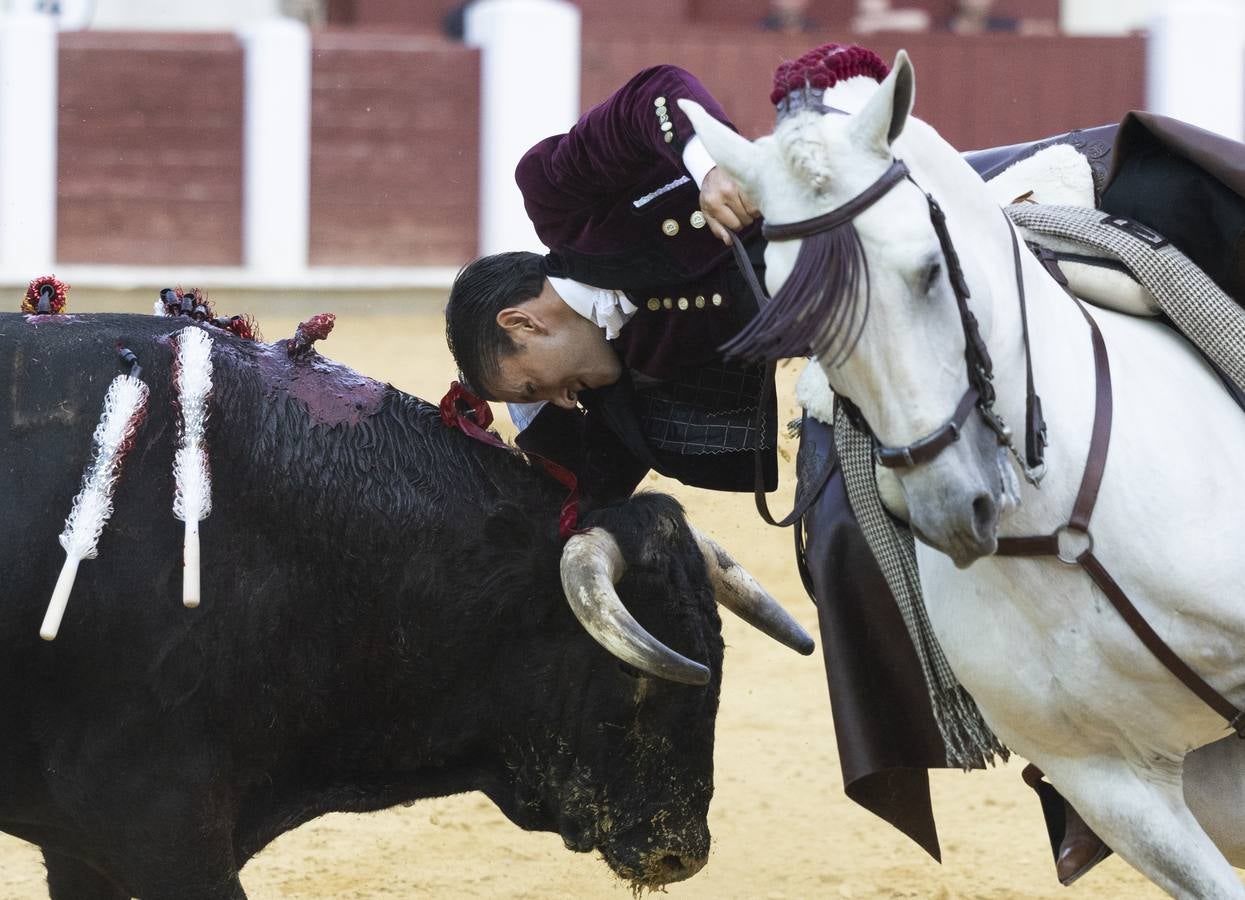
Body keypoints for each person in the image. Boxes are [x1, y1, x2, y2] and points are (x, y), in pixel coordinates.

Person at [443, 43, 1118, 886]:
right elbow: (537, 512)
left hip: (903, 228)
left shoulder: (560, 199)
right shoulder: (614, 407)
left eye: (542, 384)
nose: (564, 400)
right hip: (893, 374)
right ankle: (1078, 766)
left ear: (524, 323)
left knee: (1137, 195)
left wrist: (703, 168)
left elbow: (655, 92)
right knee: (862, 551)